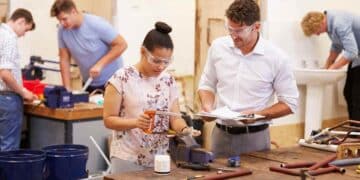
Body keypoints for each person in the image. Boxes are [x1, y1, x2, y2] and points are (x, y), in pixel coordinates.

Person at [197, 0, 299, 157]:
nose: (233, 36)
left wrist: (259, 114)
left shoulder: (277, 58)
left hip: (255, 137)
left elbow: (290, 103)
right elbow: (207, 84)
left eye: (239, 31)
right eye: (229, 29)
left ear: (256, 27)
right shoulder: (218, 47)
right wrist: (207, 106)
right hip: (220, 135)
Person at [103, 22, 199, 173]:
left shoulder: (168, 81)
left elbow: (174, 118)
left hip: (159, 158)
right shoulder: (122, 78)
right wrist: (136, 122)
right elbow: (108, 119)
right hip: (127, 157)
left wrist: (185, 130)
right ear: (143, 52)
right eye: (156, 60)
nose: (161, 67)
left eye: (166, 62)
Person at [50, 0, 127, 92]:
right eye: (59, 20)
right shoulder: (62, 30)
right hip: (89, 83)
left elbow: (122, 44)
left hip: (114, 82)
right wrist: (67, 88)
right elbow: (64, 59)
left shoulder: (96, 23)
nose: (62, 23)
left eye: (64, 19)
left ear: (73, 11)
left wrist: (100, 64)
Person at [301, 10, 360, 121]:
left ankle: (356, 134)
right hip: (358, 56)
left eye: (316, 31)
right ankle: (353, 132)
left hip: (356, 55)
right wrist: (327, 66)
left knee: (357, 96)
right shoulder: (331, 25)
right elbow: (336, 47)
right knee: (348, 92)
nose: (317, 34)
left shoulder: (339, 23)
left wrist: (331, 68)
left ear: (321, 23)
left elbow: (351, 52)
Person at [0, 8, 38, 151]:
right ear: (21, 21)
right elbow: (5, 73)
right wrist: (23, 92)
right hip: (7, 98)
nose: (24, 35)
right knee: (8, 148)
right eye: (26, 30)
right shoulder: (9, 38)